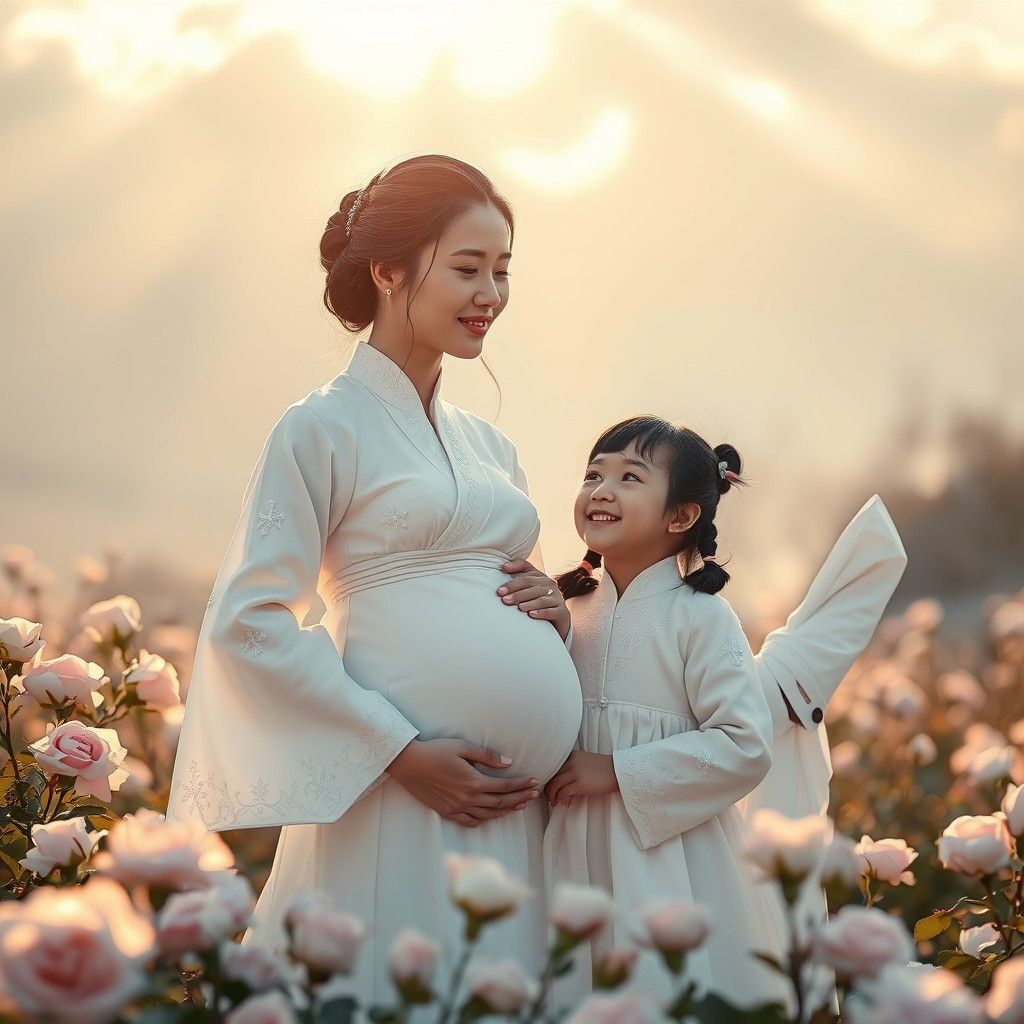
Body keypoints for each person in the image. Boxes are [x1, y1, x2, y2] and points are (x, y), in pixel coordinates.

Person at [165, 155, 583, 1001]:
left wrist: (557, 609)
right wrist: (397, 751)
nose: (490, 295)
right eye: (467, 269)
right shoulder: (321, 427)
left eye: (502, 272)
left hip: (514, 815)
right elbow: (250, 618)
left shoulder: (491, 446)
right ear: (389, 270)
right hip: (398, 798)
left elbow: (519, 588)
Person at [529, 415, 787, 1006]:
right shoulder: (567, 609)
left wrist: (616, 769)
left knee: (661, 986)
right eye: (593, 474)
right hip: (572, 844)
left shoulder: (702, 618)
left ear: (681, 516)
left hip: (668, 855)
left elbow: (745, 744)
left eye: (628, 477)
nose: (601, 489)